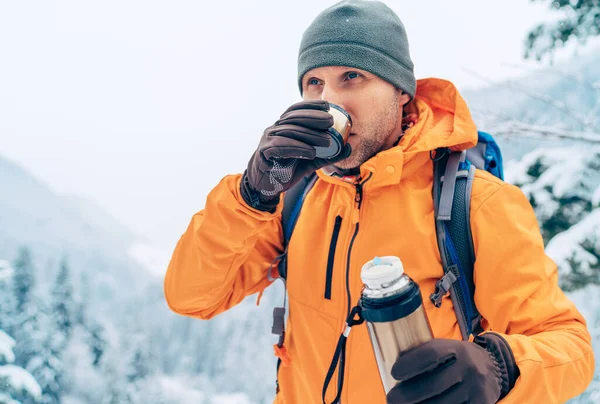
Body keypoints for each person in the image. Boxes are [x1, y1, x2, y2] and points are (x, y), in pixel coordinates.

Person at [163, 1, 595, 402]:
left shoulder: (475, 202)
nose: (329, 99)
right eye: (314, 82)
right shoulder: (293, 198)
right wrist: (251, 196)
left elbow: (570, 345)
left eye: (352, 76)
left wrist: (500, 367)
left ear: (401, 91)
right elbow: (191, 296)